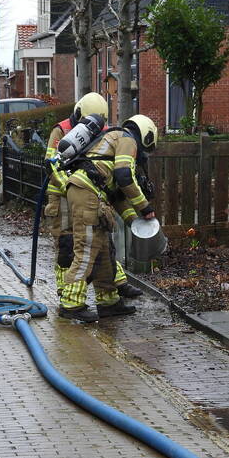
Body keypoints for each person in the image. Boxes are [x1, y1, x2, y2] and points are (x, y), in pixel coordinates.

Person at [57, 114, 157, 322]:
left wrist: (135, 222)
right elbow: (124, 176)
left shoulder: (113, 139)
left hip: (90, 193)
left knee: (103, 251)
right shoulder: (127, 139)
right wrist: (145, 207)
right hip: (87, 194)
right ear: (146, 136)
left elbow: (116, 196)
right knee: (86, 250)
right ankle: (71, 304)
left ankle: (109, 302)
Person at [44, 93, 143, 299]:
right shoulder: (61, 130)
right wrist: (71, 186)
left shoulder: (100, 131)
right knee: (67, 245)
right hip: (61, 197)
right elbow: (51, 164)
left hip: (86, 193)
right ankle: (65, 291)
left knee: (99, 238)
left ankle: (117, 283)